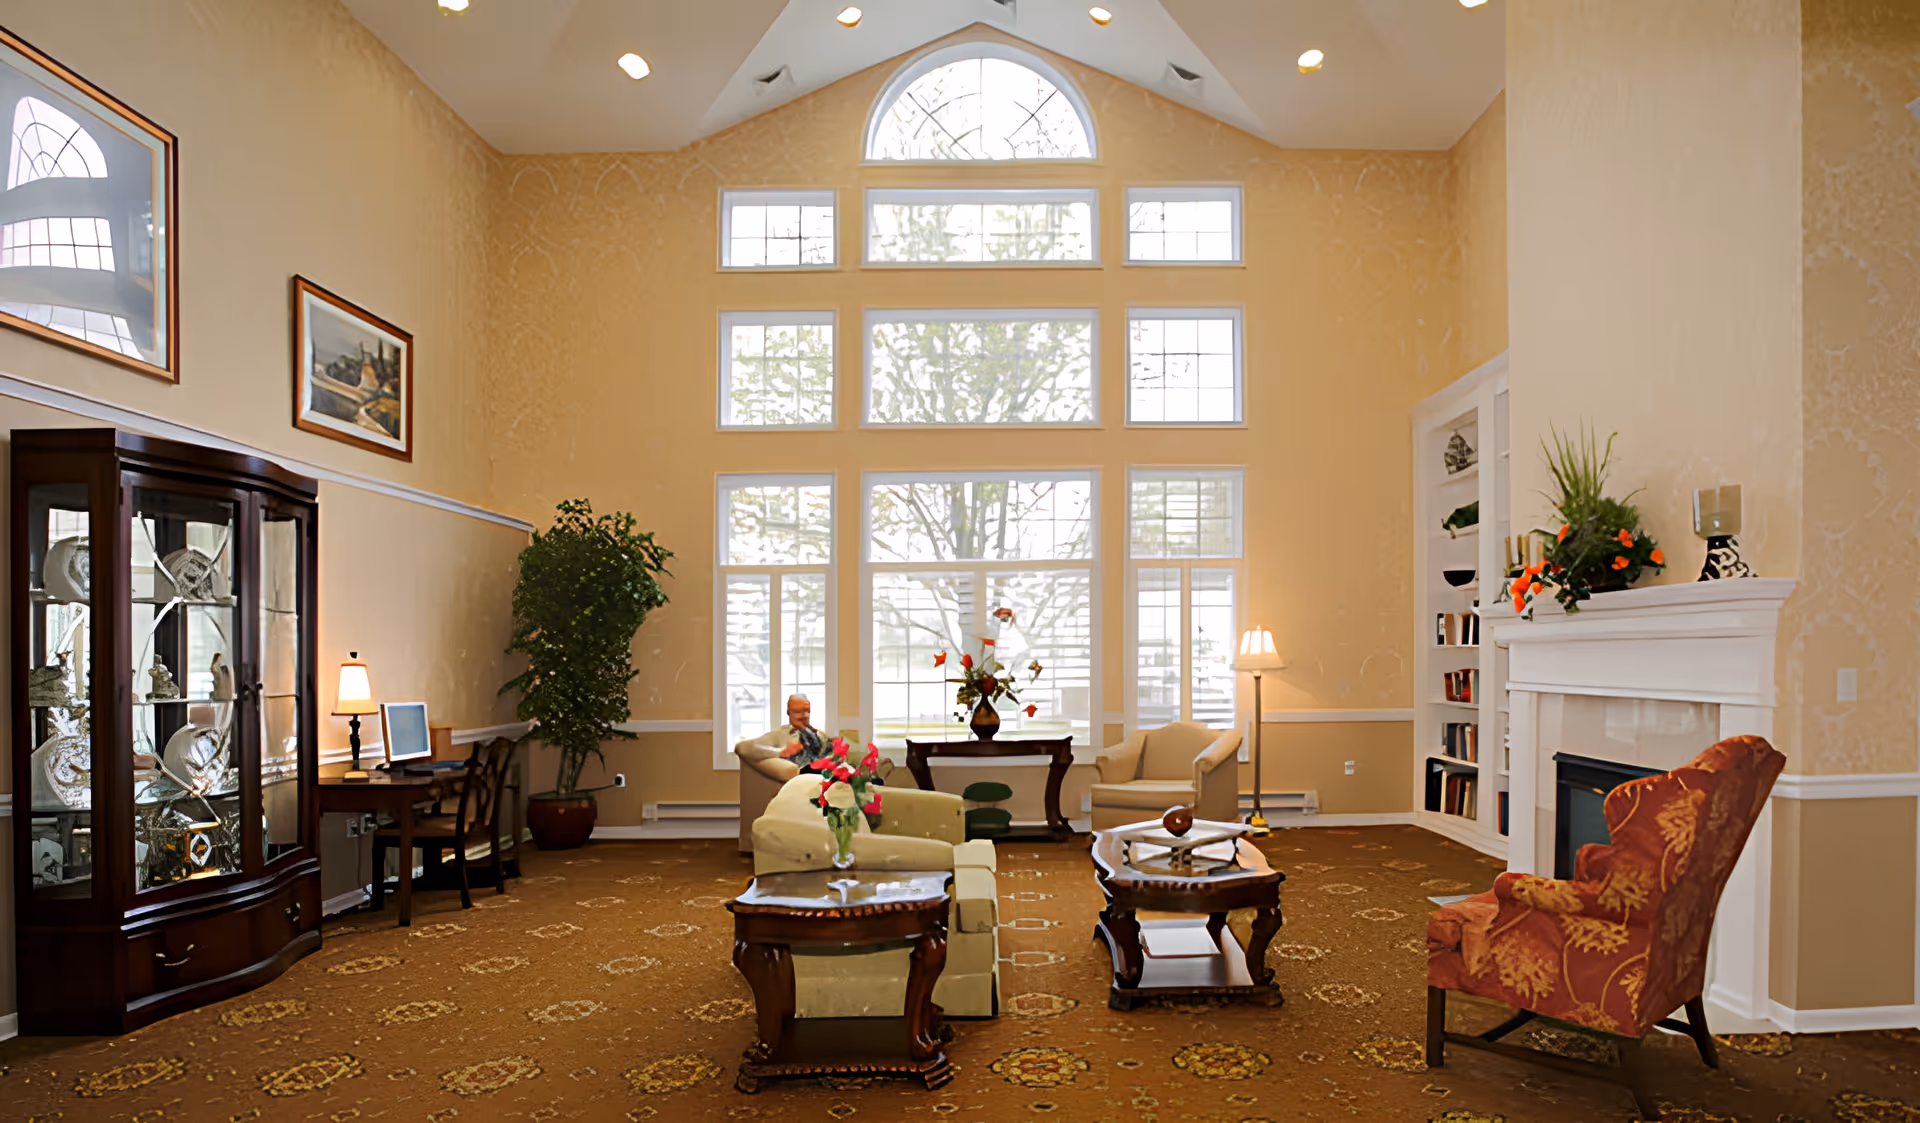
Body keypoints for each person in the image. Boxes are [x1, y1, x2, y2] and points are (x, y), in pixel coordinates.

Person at [775, 695, 830, 770]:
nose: (803, 715)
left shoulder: (820, 735)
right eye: (797, 711)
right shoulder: (780, 735)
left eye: (806, 710)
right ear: (788, 712)